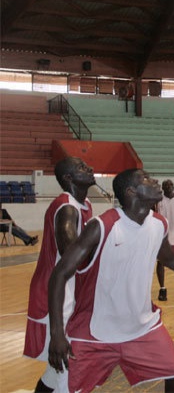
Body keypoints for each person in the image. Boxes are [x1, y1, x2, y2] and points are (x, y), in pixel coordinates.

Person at [47, 168, 174, 393]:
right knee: (62, 388)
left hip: (142, 328)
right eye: (146, 178)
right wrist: (56, 334)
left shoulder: (158, 224)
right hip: (96, 331)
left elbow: (172, 260)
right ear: (131, 191)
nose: (154, 181)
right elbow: (59, 274)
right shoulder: (102, 226)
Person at [23, 157, 95, 393]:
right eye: (82, 167)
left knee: (55, 374)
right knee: (69, 371)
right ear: (68, 178)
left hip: (68, 292)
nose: (90, 169)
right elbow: (70, 251)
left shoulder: (83, 203)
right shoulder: (67, 208)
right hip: (55, 295)